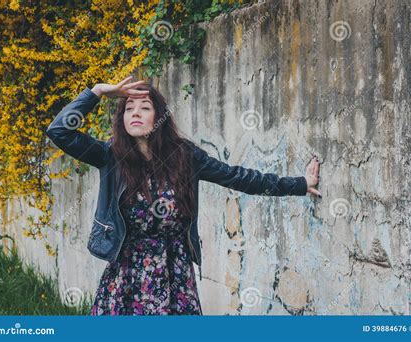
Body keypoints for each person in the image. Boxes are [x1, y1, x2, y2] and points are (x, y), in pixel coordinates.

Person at [45, 76, 321, 315]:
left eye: (145, 107)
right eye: (129, 109)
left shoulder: (185, 156)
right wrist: (97, 92)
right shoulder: (110, 156)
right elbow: (59, 131)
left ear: (160, 117)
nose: (136, 113)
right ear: (122, 120)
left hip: (174, 271)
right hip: (126, 274)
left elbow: (238, 177)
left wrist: (299, 184)